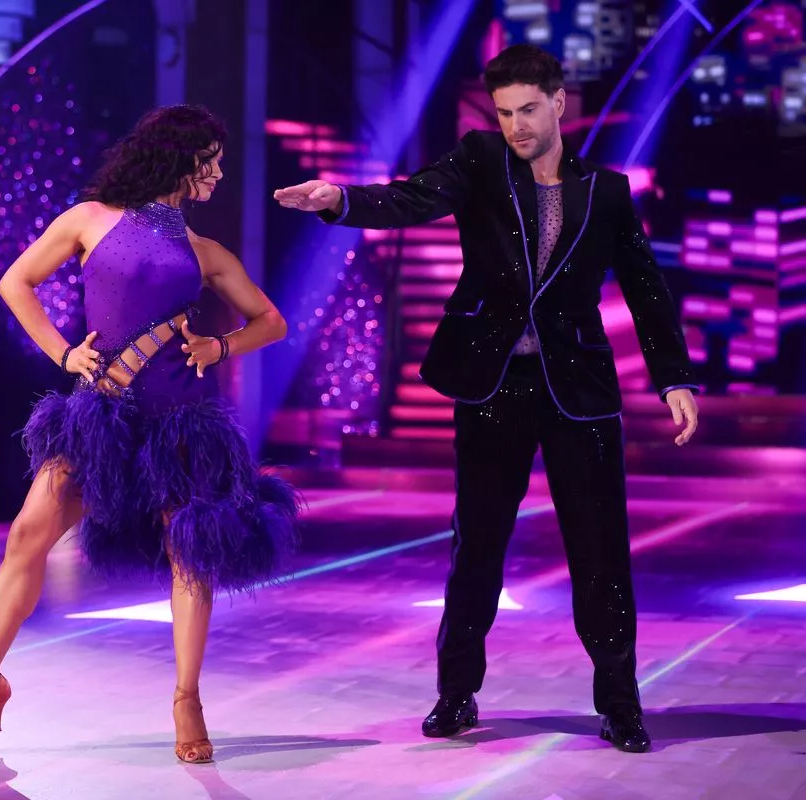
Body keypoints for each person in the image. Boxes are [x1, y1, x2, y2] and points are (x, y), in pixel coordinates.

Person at [273, 44, 700, 753]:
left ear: (558, 103)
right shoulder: (479, 161)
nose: (516, 126)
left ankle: (621, 704)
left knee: (600, 550)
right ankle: (456, 694)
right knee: (477, 545)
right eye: (504, 113)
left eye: (528, 109)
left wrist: (673, 376)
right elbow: (411, 197)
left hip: (580, 391)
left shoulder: (606, 191)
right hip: (494, 382)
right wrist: (342, 201)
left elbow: (645, 286)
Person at [0, 104, 300, 763]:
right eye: (211, 162)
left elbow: (271, 321)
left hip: (179, 421)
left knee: (190, 552)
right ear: (178, 158)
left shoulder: (203, 251)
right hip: (99, 417)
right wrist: (62, 353)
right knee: (26, 536)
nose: (219, 174)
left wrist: (220, 347)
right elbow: (15, 282)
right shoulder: (89, 219)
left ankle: (187, 700)